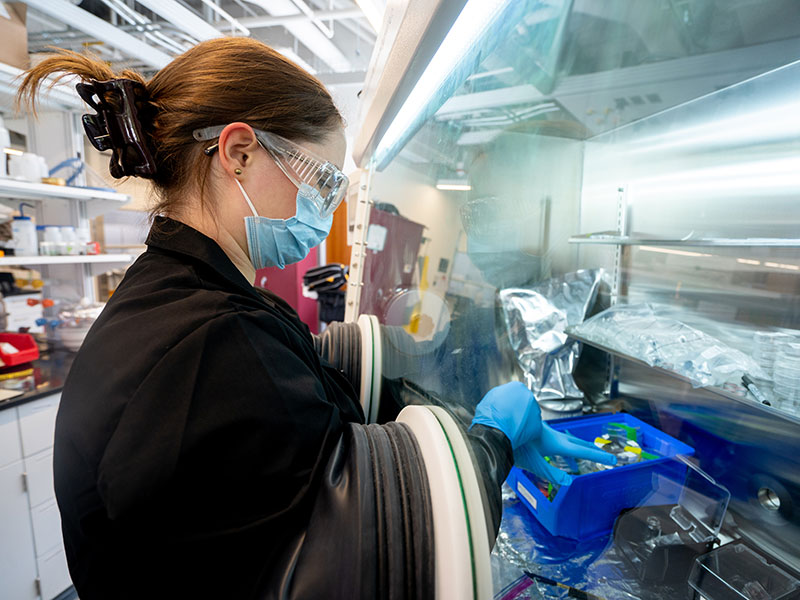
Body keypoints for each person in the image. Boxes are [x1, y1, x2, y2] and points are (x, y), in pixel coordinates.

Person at [19, 38, 613, 600]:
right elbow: (354, 558)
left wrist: (449, 399)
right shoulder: (210, 342)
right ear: (239, 153)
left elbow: (305, 423)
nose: (328, 211)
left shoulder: (188, 297)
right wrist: (492, 442)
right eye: (325, 181)